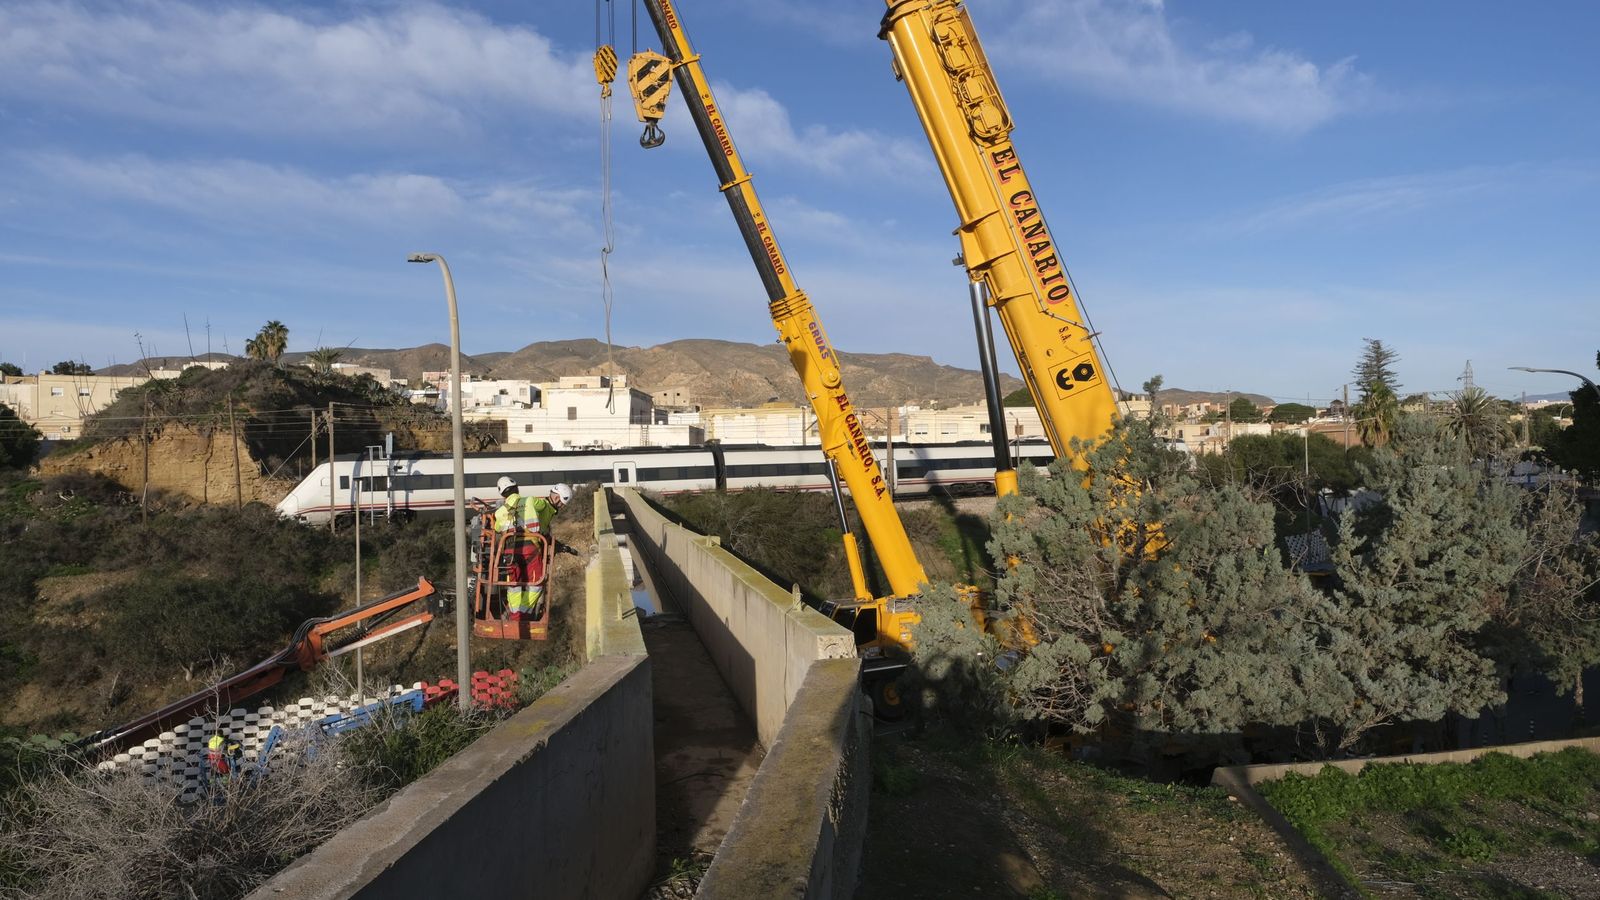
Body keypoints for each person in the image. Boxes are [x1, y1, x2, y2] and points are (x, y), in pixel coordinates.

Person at [492, 478, 573, 620]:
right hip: (529, 548)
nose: (560, 506)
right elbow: (539, 523)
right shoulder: (537, 503)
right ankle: (521, 615)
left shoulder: (503, 511)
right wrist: (536, 528)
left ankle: (514, 615)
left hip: (509, 550)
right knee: (536, 583)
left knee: (514, 585)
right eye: (561, 503)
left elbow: (497, 527)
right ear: (556, 497)